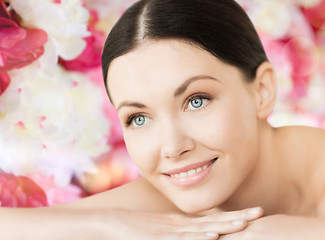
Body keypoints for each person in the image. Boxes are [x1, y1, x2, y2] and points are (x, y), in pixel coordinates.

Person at [1, 0, 325, 239]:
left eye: (196, 101)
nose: (172, 148)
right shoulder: (178, 187)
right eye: (139, 118)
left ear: (263, 90)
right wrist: (107, 224)